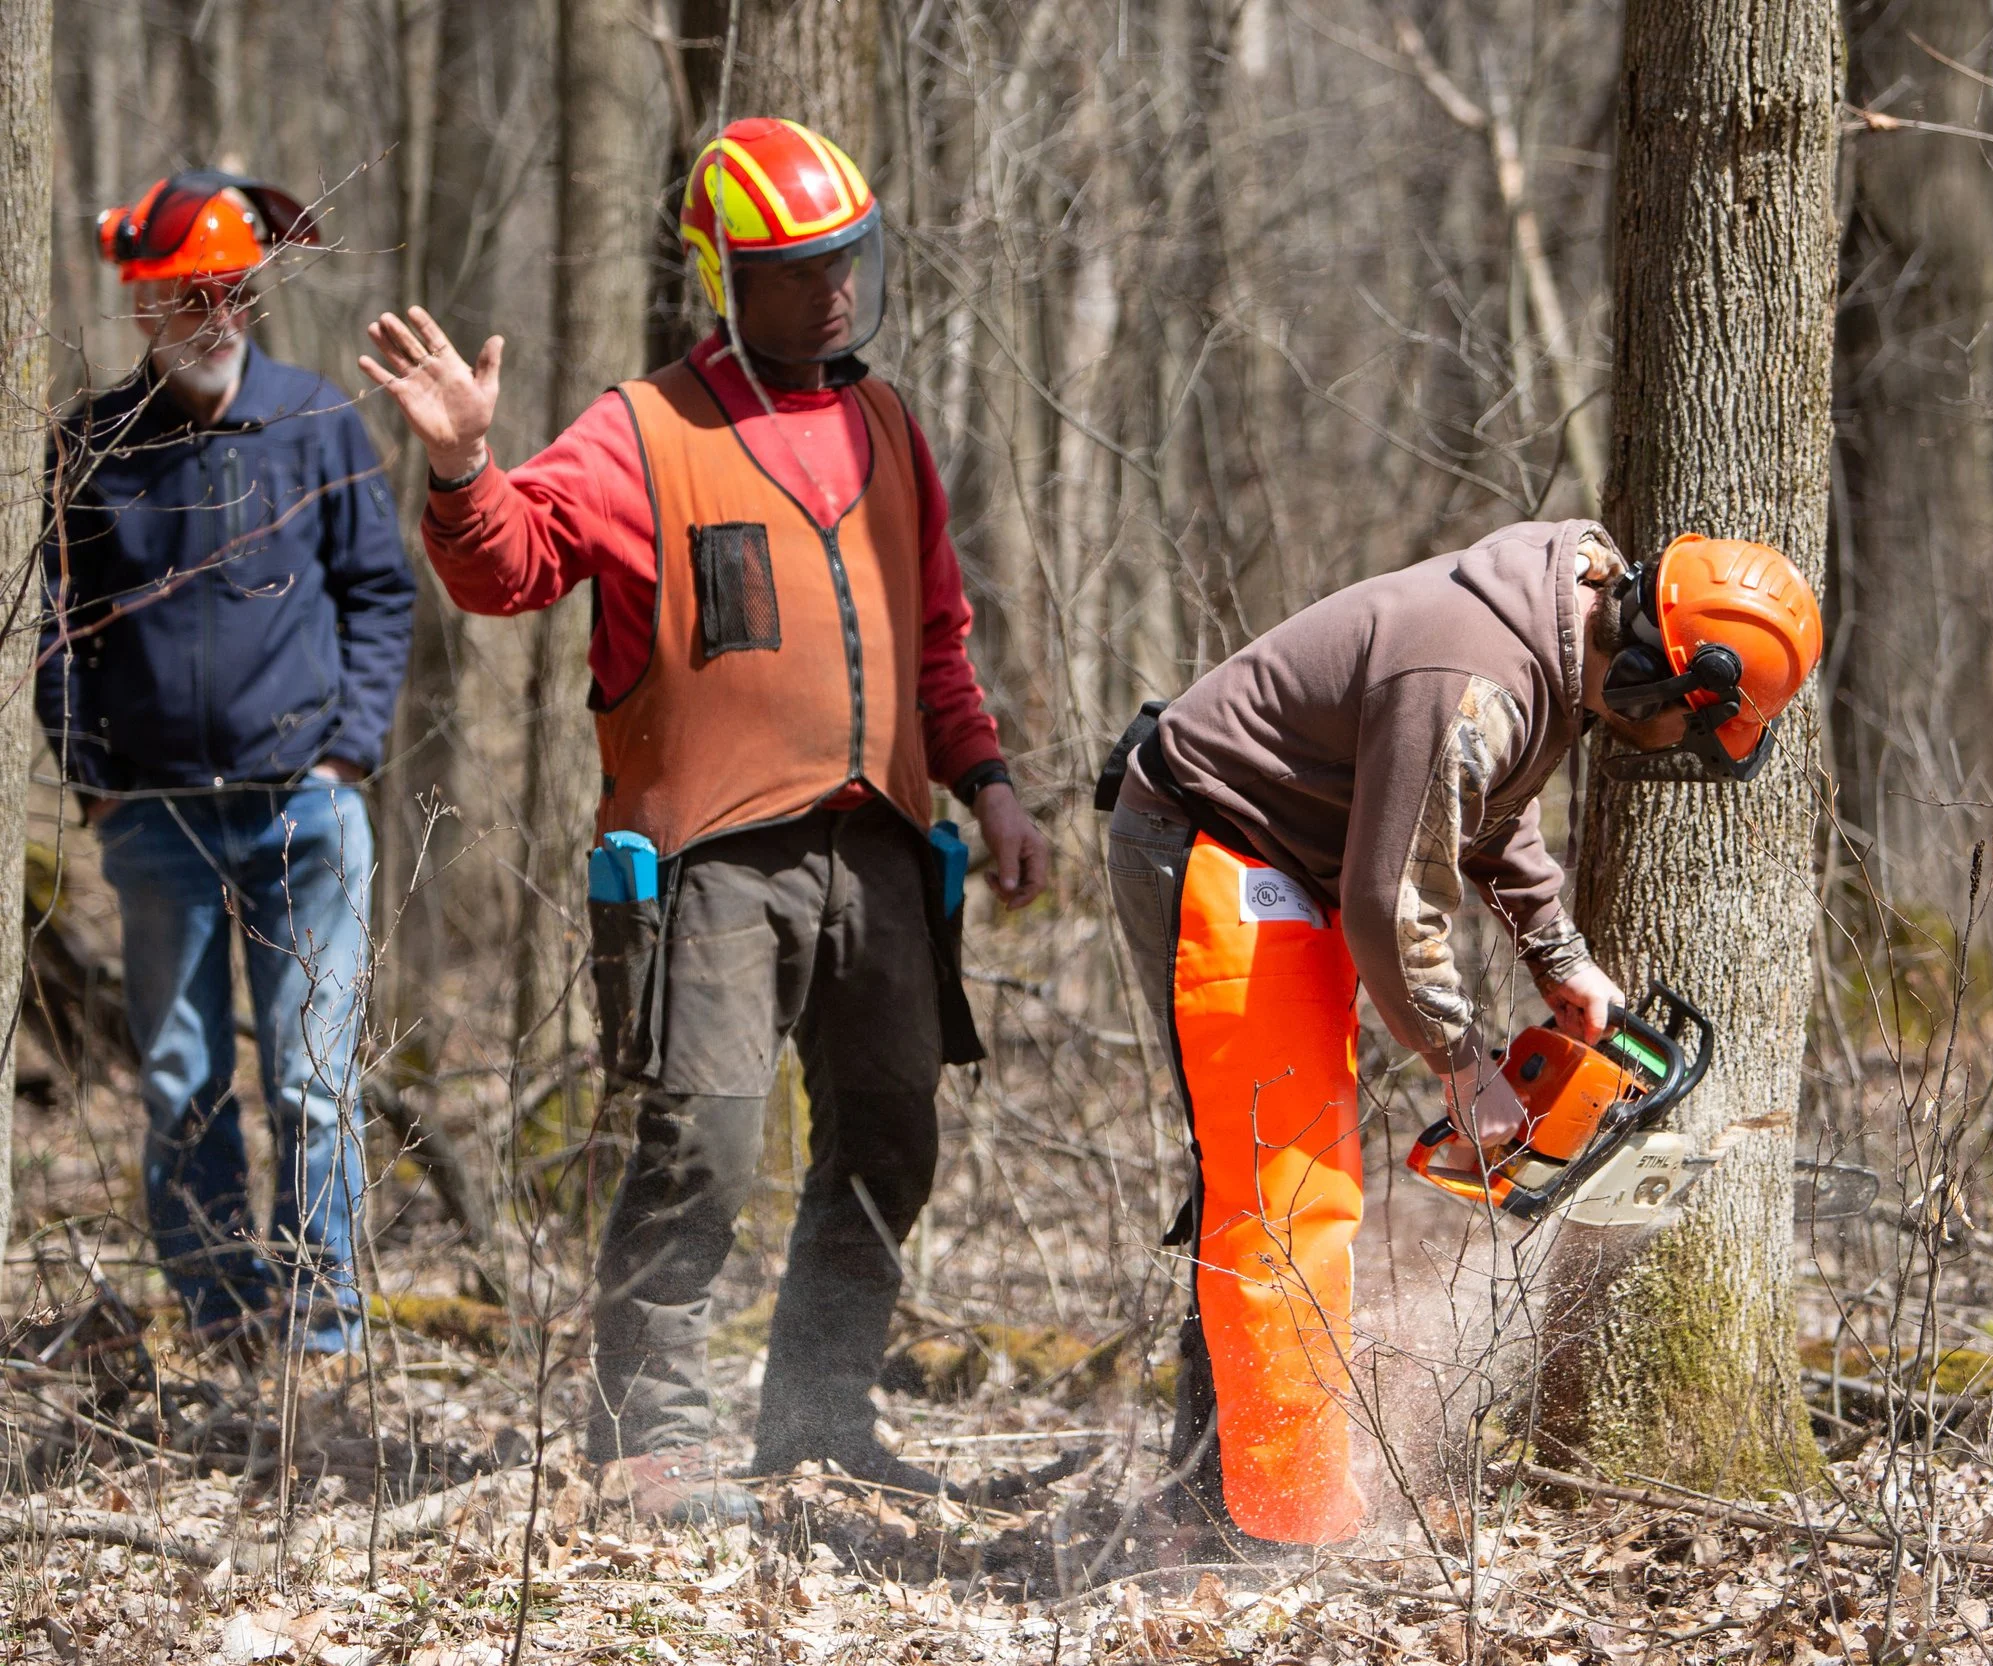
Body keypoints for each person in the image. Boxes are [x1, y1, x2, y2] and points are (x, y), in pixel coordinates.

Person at [358, 117, 1050, 1524]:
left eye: (848, 259)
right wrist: (459, 467)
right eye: (798, 269)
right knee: (704, 1142)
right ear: (725, 272)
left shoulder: (889, 422)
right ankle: (650, 1435)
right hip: (713, 865)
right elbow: (512, 566)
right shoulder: (643, 427)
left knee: (892, 1135)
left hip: (885, 853)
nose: (834, 289)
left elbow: (938, 639)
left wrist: (990, 784)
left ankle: (820, 1408)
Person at [1100, 520, 1822, 1555]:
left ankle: (1222, 1486)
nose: (1674, 751)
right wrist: (1460, 1059)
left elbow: (1482, 802)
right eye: (1686, 730)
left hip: (1300, 856)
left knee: (1289, 1177)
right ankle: (1262, 1526)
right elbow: (1389, 897)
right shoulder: (1472, 672)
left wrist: (1558, 956)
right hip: (1217, 839)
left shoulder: (1552, 638)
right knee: (1280, 1179)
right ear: (1667, 677)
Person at [38, 171, 415, 1357]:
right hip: (153, 818)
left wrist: (349, 751)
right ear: (142, 305)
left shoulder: (318, 421)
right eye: (186, 297)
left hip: (306, 806)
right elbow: (52, 628)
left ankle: (322, 1325)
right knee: (180, 1075)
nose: (213, 317)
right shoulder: (92, 441)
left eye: (230, 293)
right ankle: (224, 1316)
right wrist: (91, 771)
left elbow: (379, 592)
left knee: (313, 1083)